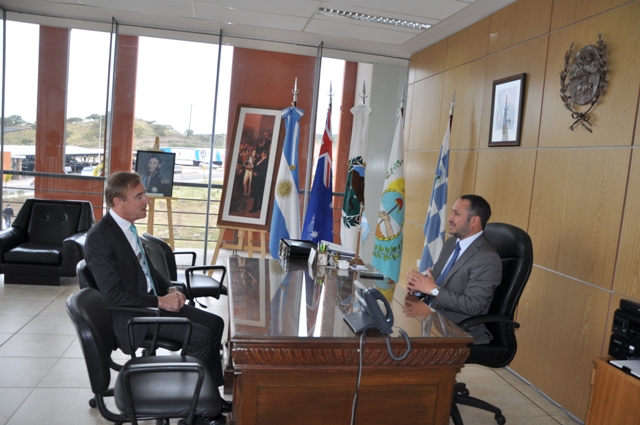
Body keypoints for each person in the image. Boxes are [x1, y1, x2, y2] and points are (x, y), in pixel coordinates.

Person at [84, 172, 229, 424]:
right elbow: (113, 296)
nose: (146, 200)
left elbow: (150, 272)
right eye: (138, 196)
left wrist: (171, 289)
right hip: (134, 316)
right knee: (202, 336)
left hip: (151, 303)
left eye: (144, 194)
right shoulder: (100, 238)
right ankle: (194, 410)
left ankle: (209, 396)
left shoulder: (127, 229)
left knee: (215, 323)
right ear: (118, 202)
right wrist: (161, 302)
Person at [405, 194, 502, 344]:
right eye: (451, 212)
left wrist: (433, 290)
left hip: (459, 330)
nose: (449, 218)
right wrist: (418, 286)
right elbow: (434, 279)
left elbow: (473, 305)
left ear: (475, 220)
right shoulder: (451, 243)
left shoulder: (487, 258)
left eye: (456, 214)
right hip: (433, 319)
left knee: (402, 350)